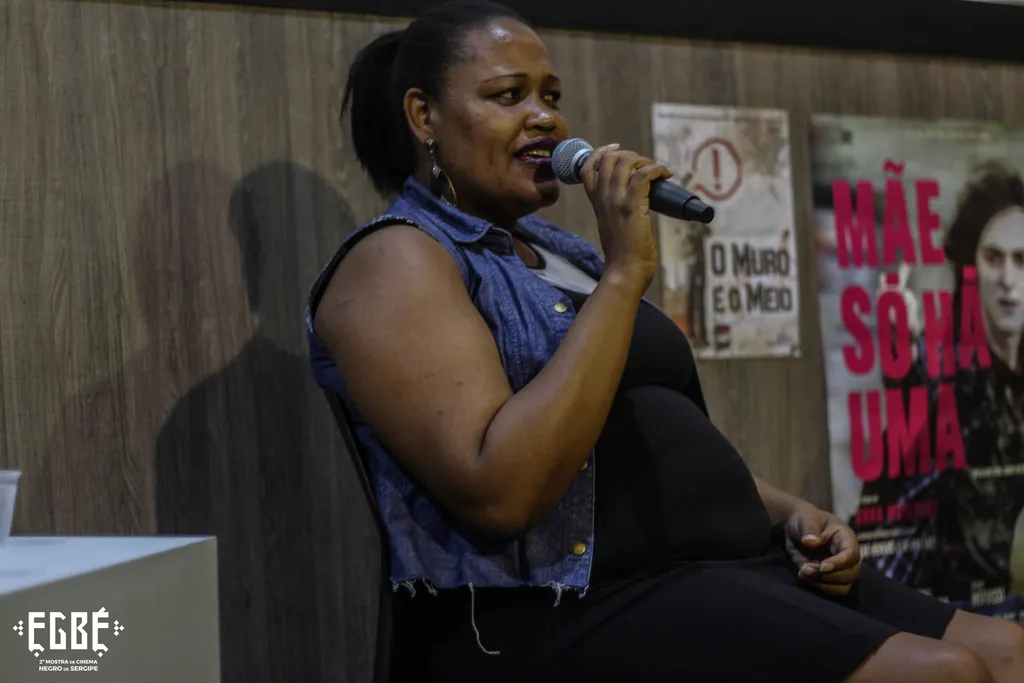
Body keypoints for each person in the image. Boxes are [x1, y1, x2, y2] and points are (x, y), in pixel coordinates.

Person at [305, 2, 1024, 680]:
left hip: (720, 564)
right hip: (568, 605)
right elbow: (500, 493)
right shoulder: (398, 259)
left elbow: (643, 431)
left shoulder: (561, 252)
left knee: (1008, 651)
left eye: (551, 97)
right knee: (945, 674)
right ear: (423, 116)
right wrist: (626, 274)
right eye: (508, 96)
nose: (546, 117)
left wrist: (789, 512)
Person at [862, 162, 1024, 614]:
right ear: (971, 264)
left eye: (1022, 259)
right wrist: (906, 372)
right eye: (994, 258)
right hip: (940, 611)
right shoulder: (947, 370)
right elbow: (893, 517)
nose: (1008, 279)